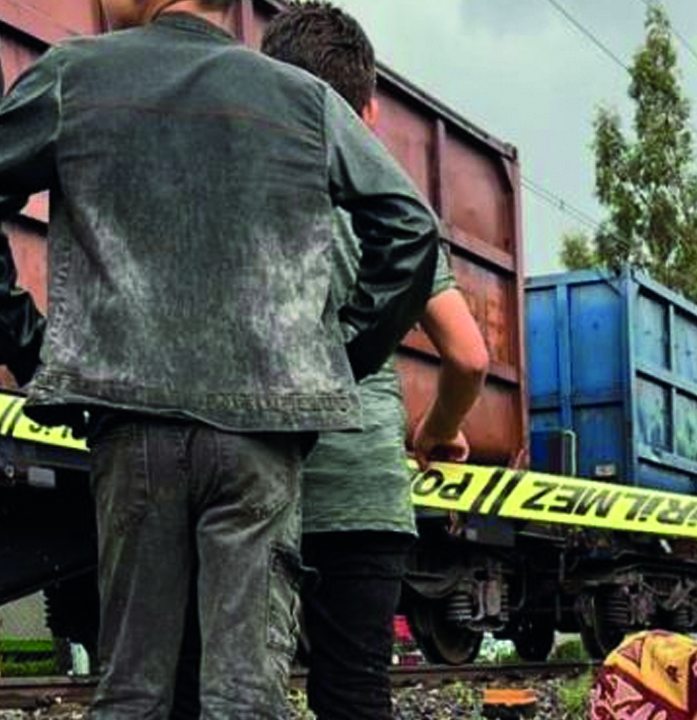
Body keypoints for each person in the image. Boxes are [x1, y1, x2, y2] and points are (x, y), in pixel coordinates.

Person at [0, 0, 441, 717]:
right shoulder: (303, 100)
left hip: (131, 426)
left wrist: (31, 344)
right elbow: (410, 232)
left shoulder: (75, 77)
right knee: (244, 693)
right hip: (259, 439)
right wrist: (330, 360)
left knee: (134, 690)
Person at [259, 4, 488, 718]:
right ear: (370, 113)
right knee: (355, 695)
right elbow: (468, 356)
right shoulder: (388, 207)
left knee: (236, 685)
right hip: (363, 493)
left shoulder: (252, 196)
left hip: (261, 481)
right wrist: (436, 430)